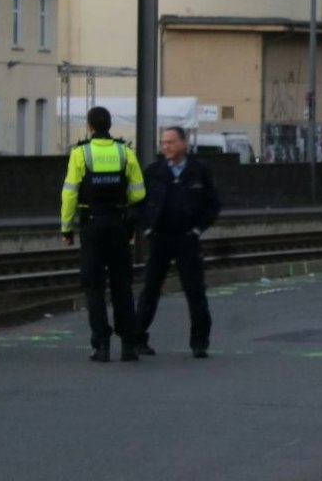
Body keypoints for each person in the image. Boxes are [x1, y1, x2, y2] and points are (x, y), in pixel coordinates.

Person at [60, 106, 146, 362]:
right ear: (110, 126)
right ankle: (129, 345)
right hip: (119, 225)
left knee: (94, 287)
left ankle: (101, 345)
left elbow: (70, 193)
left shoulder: (80, 153)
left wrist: (66, 228)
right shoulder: (124, 151)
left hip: (92, 225)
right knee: (122, 285)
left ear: (90, 127)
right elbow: (139, 192)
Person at [137, 126, 223, 358]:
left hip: (187, 238)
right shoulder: (154, 171)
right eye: (164, 142)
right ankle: (137, 338)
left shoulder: (198, 171)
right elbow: (138, 201)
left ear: (184, 144)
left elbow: (213, 204)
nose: (166, 146)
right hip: (160, 238)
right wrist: (146, 227)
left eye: (171, 142)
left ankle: (199, 342)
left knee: (195, 291)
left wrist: (198, 229)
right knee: (150, 289)